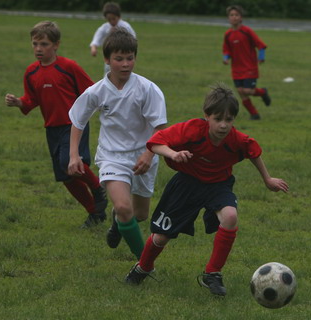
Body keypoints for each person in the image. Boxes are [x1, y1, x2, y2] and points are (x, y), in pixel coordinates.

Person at [124, 83, 289, 296]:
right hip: (186, 184)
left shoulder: (235, 139)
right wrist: (172, 154)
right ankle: (143, 267)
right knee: (161, 237)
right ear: (206, 116)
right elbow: (156, 142)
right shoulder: (192, 130)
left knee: (230, 216)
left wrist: (267, 179)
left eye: (228, 120)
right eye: (218, 119)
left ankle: (212, 273)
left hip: (218, 185)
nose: (223, 125)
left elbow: (252, 151)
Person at [68, 28, 167, 260]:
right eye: (119, 59)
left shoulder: (148, 89)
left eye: (130, 58)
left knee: (139, 214)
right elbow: (77, 121)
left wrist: (148, 154)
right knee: (124, 207)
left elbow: (160, 128)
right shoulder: (97, 92)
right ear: (107, 59)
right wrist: (74, 155)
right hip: (112, 156)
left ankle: (117, 222)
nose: (125, 64)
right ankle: (144, 264)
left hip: (144, 155)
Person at [5, 21, 107, 228]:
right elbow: (32, 99)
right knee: (65, 177)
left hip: (74, 125)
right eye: (35, 44)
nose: (38, 49)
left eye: (43, 44)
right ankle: (95, 213)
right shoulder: (31, 72)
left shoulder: (69, 67)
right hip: (52, 128)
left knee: (69, 164)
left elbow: (91, 91)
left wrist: (98, 111)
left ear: (56, 45)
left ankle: (99, 189)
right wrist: (19, 102)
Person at [223, 5, 271, 120]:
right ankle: (254, 114)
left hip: (250, 67)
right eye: (231, 15)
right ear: (228, 18)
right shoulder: (228, 34)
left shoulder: (247, 31)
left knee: (248, 91)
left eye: (236, 15)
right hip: (236, 69)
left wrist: (261, 57)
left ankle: (262, 92)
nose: (234, 17)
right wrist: (225, 58)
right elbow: (226, 49)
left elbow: (261, 45)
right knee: (240, 91)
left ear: (241, 18)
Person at [90, 2, 136, 75]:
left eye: (113, 19)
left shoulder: (125, 26)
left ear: (119, 16)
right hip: (110, 55)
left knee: (124, 70)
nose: (112, 21)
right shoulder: (105, 27)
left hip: (124, 54)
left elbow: (134, 39)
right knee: (108, 71)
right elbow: (97, 38)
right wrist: (93, 48)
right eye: (109, 19)